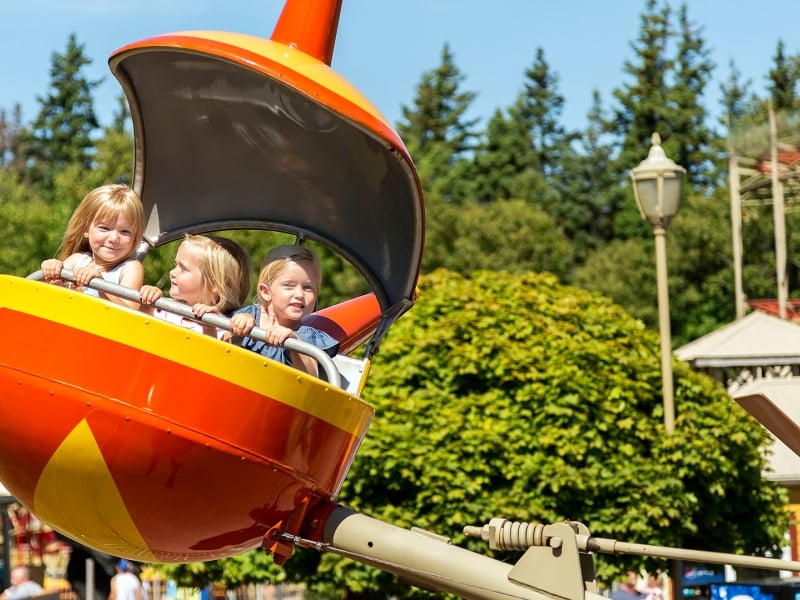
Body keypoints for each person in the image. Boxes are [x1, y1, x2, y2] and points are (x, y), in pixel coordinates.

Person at [230, 244, 339, 377]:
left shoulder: (307, 336)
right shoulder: (247, 314)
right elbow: (220, 357)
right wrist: (236, 332)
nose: (299, 294)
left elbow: (311, 378)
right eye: (289, 285)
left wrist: (295, 344)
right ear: (266, 291)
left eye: (308, 288)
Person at [40, 183, 145, 310]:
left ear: (136, 235)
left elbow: (130, 312)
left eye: (125, 231)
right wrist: (50, 272)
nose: (114, 238)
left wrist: (101, 287)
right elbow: (42, 296)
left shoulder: (130, 268)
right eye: (104, 228)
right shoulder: (77, 260)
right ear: (85, 228)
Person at [139, 234, 251, 339]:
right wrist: (147, 303)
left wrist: (209, 328)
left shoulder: (223, 330)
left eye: (183, 268)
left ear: (213, 284)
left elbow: (212, 357)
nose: (172, 272)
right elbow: (140, 333)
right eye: (175, 265)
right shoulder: (162, 309)